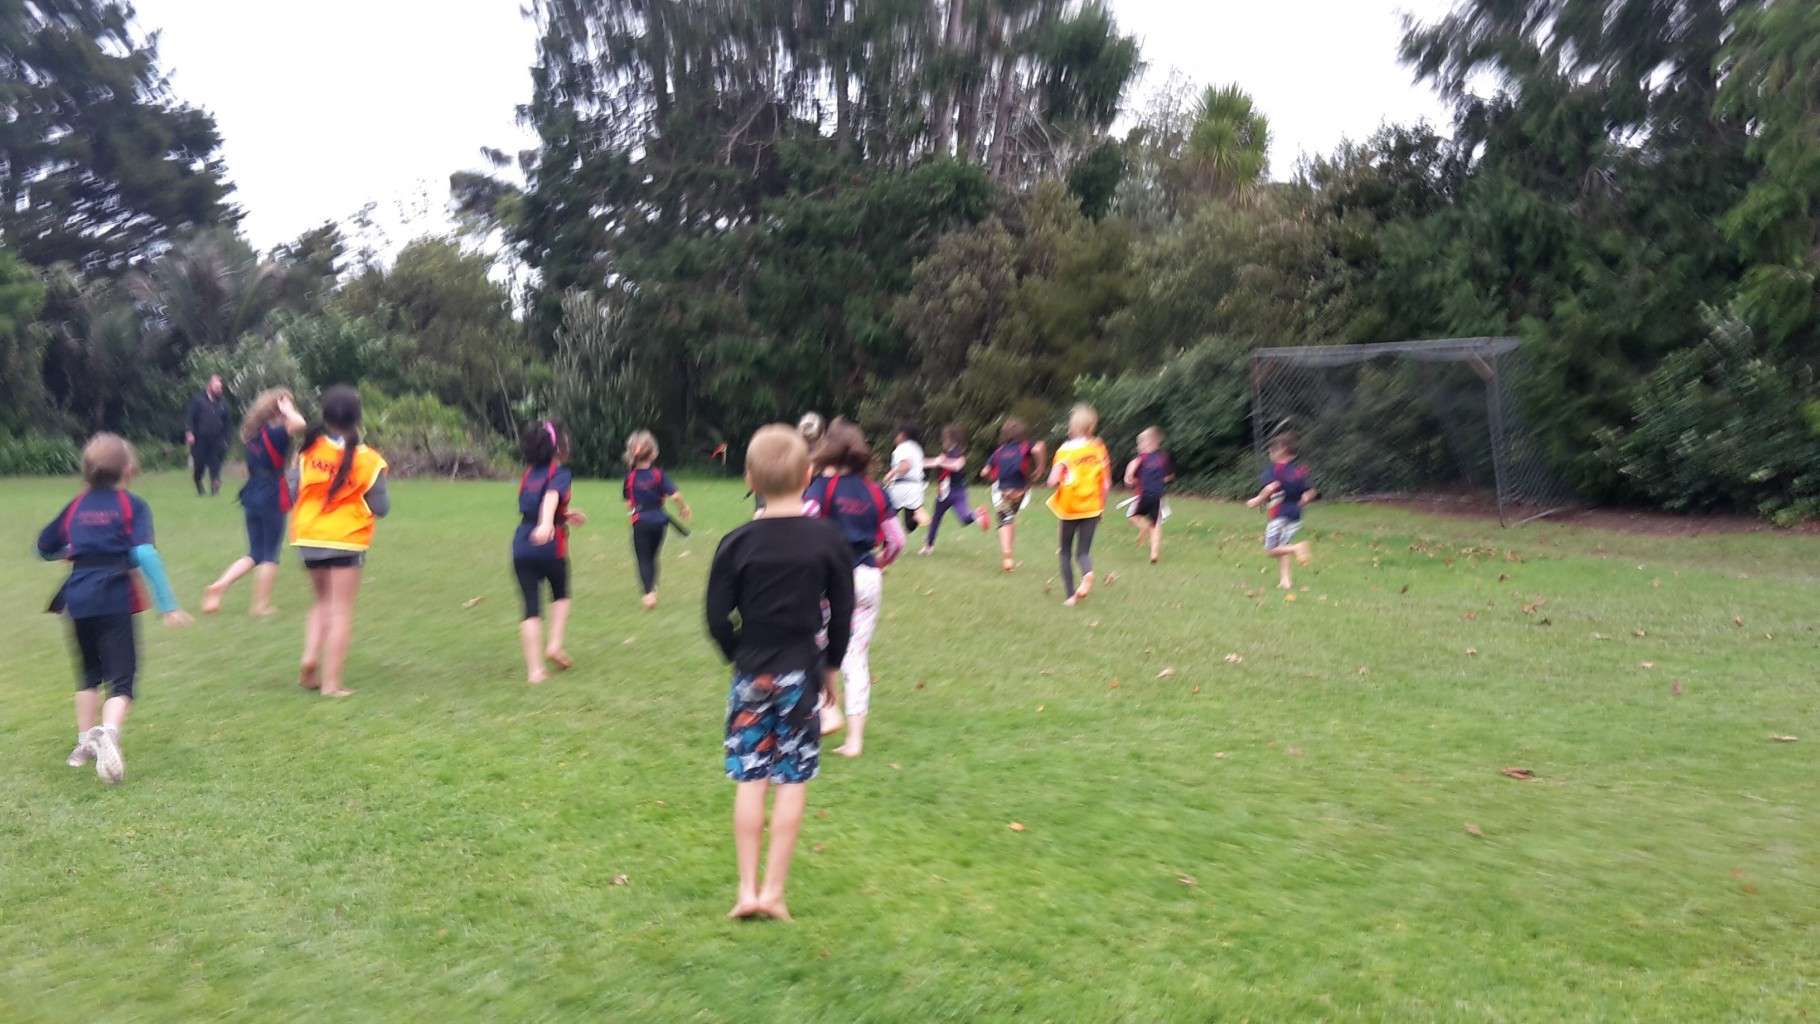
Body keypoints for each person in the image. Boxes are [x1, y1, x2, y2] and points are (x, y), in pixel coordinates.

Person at [706, 425, 856, 922]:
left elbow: (716, 616)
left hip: (752, 672)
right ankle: (773, 893)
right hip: (801, 676)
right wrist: (829, 668)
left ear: (750, 479)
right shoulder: (828, 540)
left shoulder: (736, 543)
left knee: (751, 780)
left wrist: (739, 653)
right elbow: (842, 613)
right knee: (792, 780)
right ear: (808, 475)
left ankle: (746, 890)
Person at [37, 434, 192, 785]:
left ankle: (83, 747)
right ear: (129, 469)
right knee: (122, 681)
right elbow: (144, 553)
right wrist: (168, 605)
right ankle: (108, 732)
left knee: (88, 674)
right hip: (114, 597)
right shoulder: (132, 505)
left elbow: (43, 547)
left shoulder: (76, 506)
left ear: (87, 471)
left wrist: (70, 551)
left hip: (77, 598)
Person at [805, 420, 905, 758]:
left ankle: (827, 711)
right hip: (868, 579)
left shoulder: (823, 488)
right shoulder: (876, 491)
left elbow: (804, 519)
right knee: (856, 657)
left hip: (831, 581)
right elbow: (896, 539)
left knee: (815, 644)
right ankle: (855, 741)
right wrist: (881, 562)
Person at [288, 386, 390, 698]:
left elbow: (291, 492)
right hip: (347, 539)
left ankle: (310, 658)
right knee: (341, 610)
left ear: (325, 417)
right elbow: (381, 507)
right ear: (358, 420)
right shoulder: (370, 460)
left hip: (309, 535)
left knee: (321, 602)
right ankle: (332, 685)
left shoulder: (307, 452)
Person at [202, 388, 308, 616]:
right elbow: (300, 424)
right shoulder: (278, 434)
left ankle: (219, 586)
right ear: (279, 410)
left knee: (255, 553)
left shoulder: (253, 435)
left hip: (251, 493)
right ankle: (261, 605)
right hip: (271, 495)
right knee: (270, 554)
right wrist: (288, 409)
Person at [510, 420, 590, 683]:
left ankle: (535, 671)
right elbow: (550, 496)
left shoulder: (528, 474)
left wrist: (564, 515)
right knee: (561, 594)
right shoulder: (560, 473)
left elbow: (534, 504)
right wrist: (547, 523)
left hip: (522, 543)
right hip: (549, 544)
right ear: (558, 447)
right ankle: (554, 645)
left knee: (530, 609)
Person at [1046, 404, 1112, 606]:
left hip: (1069, 507)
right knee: (1083, 552)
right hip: (1092, 506)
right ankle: (1087, 573)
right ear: (1091, 427)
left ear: (1073, 427)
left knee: (1065, 551)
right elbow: (1106, 484)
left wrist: (1058, 478)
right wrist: (1101, 507)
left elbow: (1052, 480)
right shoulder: (1098, 449)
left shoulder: (1064, 451)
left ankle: (1070, 596)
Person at [623, 430, 689, 611]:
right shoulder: (659, 474)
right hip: (659, 522)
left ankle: (649, 594)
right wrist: (684, 508)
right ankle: (653, 588)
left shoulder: (629, 477)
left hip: (640, 521)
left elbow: (628, 502)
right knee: (653, 557)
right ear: (653, 453)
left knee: (643, 558)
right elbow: (675, 495)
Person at [1247, 432, 1317, 590]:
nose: (1270, 452)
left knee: (1271, 550)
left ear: (1281, 450)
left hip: (1279, 514)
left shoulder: (1275, 469)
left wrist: (1257, 500)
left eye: (1272, 449)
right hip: (1295, 515)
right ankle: (1286, 581)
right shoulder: (1298, 471)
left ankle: (1296, 548)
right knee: (1282, 545)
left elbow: (1271, 487)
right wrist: (1302, 502)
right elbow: (1310, 493)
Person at [982, 417, 1047, 572]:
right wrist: (1040, 468)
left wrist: (990, 473)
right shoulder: (1025, 446)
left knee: (1003, 522)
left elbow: (984, 471)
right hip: (1021, 492)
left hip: (1003, 491)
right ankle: (1009, 552)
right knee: (1010, 518)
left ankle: (1006, 553)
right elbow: (1039, 447)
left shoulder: (999, 451)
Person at [920, 424, 991, 555]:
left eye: (945, 439)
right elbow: (930, 462)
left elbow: (957, 466)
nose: (943, 442)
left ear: (950, 440)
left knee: (963, 519)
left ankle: (977, 514)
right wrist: (917, 462)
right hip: (943, 495)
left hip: (957, 493)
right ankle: (928, 546)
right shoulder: (946, 455)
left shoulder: (959, 456)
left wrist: (941, 462)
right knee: (936, 519)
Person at [1124, 427, 1175, 565]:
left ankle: (1144, 527)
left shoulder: (1142, 457)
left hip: (1143, 494)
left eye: (1140, 443)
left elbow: (1133, 465)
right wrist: (1159, 480)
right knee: (1156, 524)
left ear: (1149, 443)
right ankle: (1154, 553)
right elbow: (1169, 476)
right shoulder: (1163, 457)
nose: (1138, 447)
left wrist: (1129, 477)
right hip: (1158, 495)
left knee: (1133, 515)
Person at [185, 373, 233, 497]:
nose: (219, 390)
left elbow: (228, 424)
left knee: (215, 466)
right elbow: (190, 417)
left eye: (220, 387)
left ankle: (215, 489)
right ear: (209, 386)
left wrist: (226, 440)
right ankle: (198, 482)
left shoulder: (223, 404)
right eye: (217, 387)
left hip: (217, 440)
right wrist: (189, 433)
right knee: (199, 465)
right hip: (200, 440)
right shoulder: (198, 401)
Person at [882, 422, 930, 534]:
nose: (895, 437)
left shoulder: (901, 448)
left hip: (901, 486)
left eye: (896, 434)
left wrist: (891, 473)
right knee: (910, 524)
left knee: (887, 515)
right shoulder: (917, 448)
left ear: (902, 435)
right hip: (916, 487)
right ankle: (919, 514)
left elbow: (906, 466)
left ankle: (890, 537)